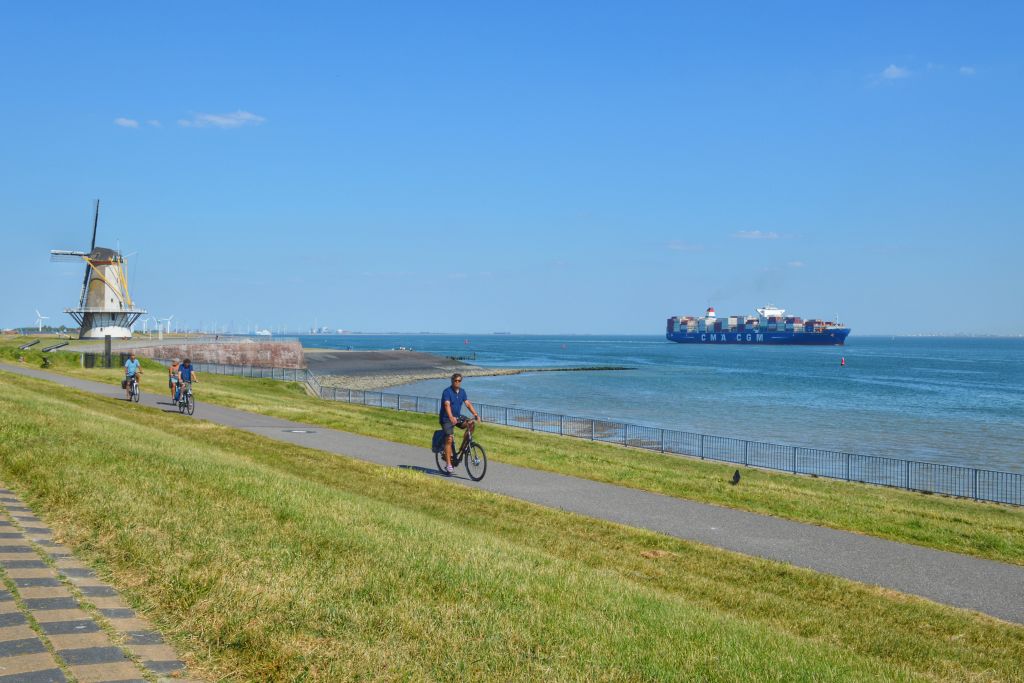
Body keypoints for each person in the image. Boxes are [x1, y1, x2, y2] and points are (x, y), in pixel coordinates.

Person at [439, 373, 480, 474]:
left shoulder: (462, 392)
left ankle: (464, 447)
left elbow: (467, 403)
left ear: (461, 381)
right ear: (452, 381)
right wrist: (451, 417)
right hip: (446, 418)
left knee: (471, 424)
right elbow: (447, 405)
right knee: (449, 438)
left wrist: (475, 414)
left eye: (459, 381)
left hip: (457, 417)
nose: (457, 382)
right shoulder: (447, 392)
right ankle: (449, 464)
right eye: (455, 380)